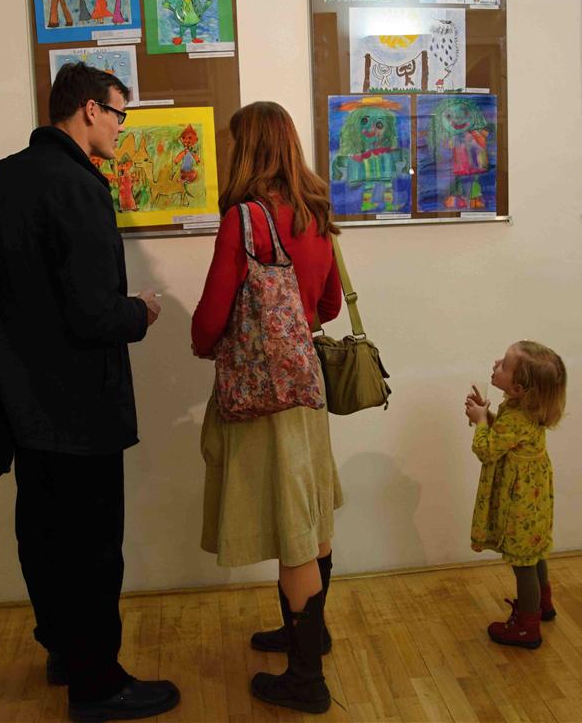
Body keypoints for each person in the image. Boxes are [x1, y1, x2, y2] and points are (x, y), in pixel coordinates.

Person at [0, 61, 179, 721]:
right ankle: (98, 685)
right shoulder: (78, 185)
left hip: (20, 402)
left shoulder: (1, 179)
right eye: (119, 114)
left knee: (43, 536)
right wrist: (140, 310)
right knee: (92, 548)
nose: (120, 127)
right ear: (90, 109)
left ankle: (64, 652)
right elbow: (92, 315)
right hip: (81, 405)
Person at [190, 102, 344, 714]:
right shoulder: (317, 212)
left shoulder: (245, 219)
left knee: (292, 533)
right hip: (306, 389)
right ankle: (309, 632)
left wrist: (205, 343)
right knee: (311, 520)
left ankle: (305, 680)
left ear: (247, 148)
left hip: (262, 398)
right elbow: (329, 305)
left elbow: (211, 316)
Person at [463, 341, 568, 650]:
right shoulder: (525, 410)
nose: (496, 363)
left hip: (519, 504)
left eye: (504, 365)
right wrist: (487, 414)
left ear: (519, 388)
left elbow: (486, 449)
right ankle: (542, 605)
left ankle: (527, 627)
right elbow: (507, 437)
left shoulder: (516, 416)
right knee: (534, 555)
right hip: (534, 502)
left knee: (523, 565)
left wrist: (480, 421)